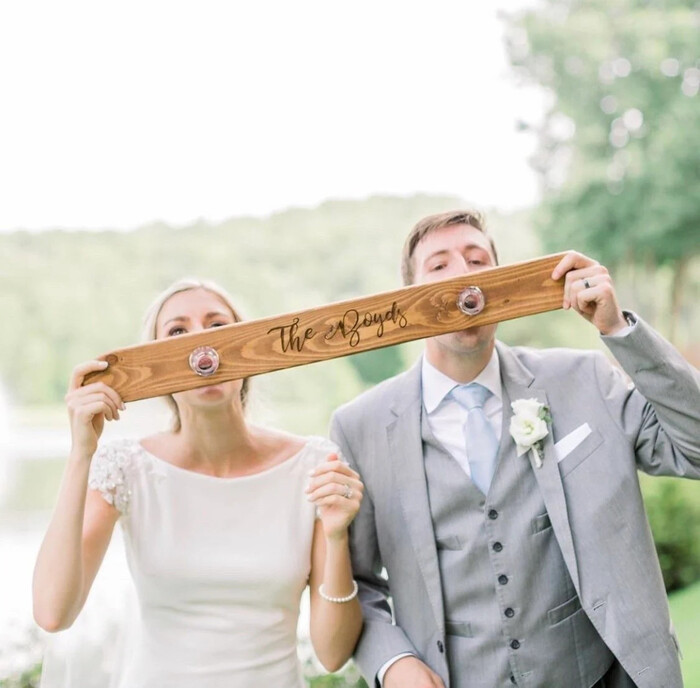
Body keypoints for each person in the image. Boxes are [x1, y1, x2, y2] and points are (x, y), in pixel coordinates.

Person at [329, 210, 700, 688]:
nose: (463, 274)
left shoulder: (584, 378)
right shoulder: (360, 427)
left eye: (478, 260)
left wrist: (619, 332)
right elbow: (358, 584)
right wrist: (393, 663)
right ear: (410, 299)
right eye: (439, 266)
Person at [33, 278, 364, 688]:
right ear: (154, 362)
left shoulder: (312, 466)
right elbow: (52, 611)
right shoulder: (126, 468)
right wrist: (81, 453)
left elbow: (332, 654)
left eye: (217, 327)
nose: (200, 346)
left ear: (248, 346)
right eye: (177, 332)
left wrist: (336, 537)